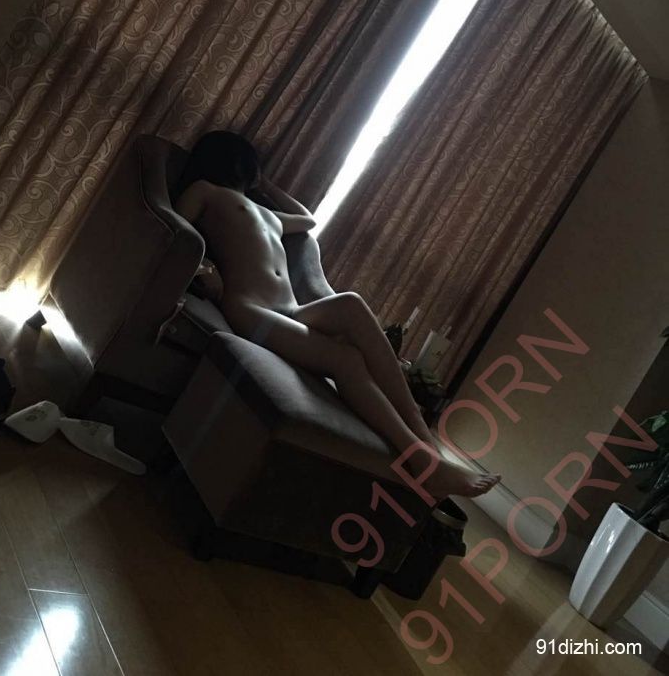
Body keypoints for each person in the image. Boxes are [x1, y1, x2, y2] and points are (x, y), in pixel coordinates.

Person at [176, 131, 501, 500]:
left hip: (291, 310)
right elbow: (176, 231)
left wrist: (266, 186)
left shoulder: (266, 213)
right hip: (252, 309)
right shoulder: (205, 190)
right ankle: (420, 460)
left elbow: (307, 220)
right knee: (345, 361)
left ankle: (423, 435)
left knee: (351, 303)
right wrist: (204, 269)